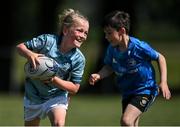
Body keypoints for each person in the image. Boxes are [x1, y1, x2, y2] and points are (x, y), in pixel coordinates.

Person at [89, 10, 171, 126]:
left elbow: (160, 58)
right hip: (127, 92)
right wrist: (99, 75)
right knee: (130, 124)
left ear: (121, 31)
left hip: (145, 90)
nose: (106, 37)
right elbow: (109, 66)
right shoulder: (112, 49)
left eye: (109, 33)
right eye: (105, 33)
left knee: (126, 121)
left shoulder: (139, 47)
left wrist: (163, 82)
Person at [16, 8, 89, 126]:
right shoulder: (47, 41)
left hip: (56, 96)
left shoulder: (79, 59)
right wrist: (30, 54)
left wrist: (54, 79)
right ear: (65, 30)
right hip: (33, 95)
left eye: (86, 33)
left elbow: (75, 88)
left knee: (58, 124)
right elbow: (20, 48)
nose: (83, 36)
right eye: (80, 31)